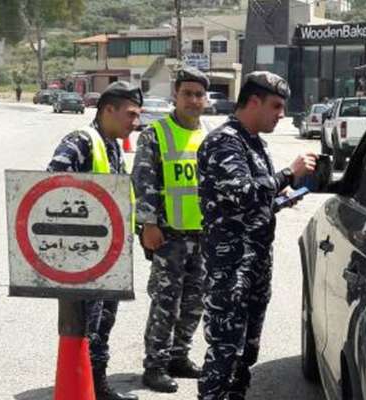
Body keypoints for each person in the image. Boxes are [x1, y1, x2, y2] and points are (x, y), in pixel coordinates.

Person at [196, 71, 317, 400]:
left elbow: (256, 202)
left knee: (245, 351)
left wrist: (285, 197)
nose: (282, 114)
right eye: (276, 106)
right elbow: (242, 193)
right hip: (230, 266)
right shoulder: (224, 142)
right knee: (224, 350)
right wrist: (289, 174)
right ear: (252, 101)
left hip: (255, 265)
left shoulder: (254, 144)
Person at [47, 81, 142, 400]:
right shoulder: (81, 141)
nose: (135, 122)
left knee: (102, 324)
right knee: (86, 324)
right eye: (130, 114)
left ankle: (96, 382)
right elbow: (53, 184)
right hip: (85, 257)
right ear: (108, 110)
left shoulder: (113, 144)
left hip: (110, 256)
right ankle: (84, 386)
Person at [132, 67, 209, 393]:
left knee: (195, 302)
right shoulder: (156, 133)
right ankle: (155, 365)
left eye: (198, 94)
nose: (192, 100)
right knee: (166, 302)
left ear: (205, 99)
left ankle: (179, 356)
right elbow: (144, 181)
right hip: (168, 235)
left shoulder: (210, 134)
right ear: (175, 96)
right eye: (186, 93)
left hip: (203, 236)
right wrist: (148, 224)